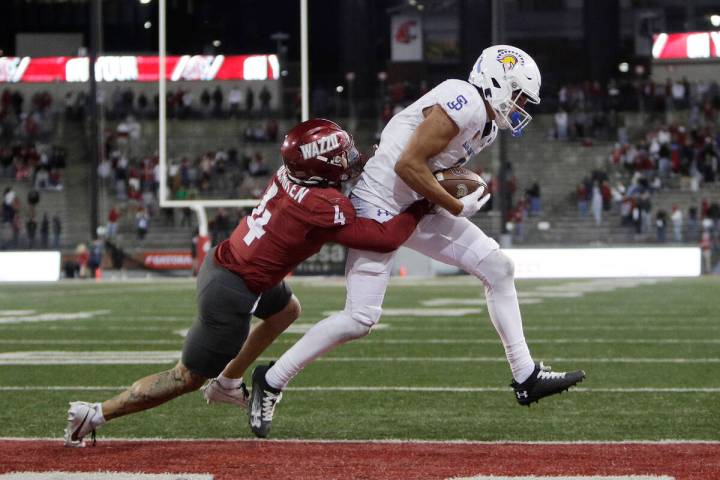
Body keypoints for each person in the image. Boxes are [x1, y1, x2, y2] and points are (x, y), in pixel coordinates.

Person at [248, 45, 585, 438]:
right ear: (497, 82)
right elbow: (407, 164)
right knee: (360, 318)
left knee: (498, 267)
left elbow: (428, 166)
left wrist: (443, 197)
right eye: (519, 95)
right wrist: (454, 205)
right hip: (377, 205)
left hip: (413, 203)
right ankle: (271, 380)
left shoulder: (486, 123)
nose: (521, 105)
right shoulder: (466, 102)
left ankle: (525, 376)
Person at [63, 118, 430, 447]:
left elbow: (339, 174)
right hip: (232, 291)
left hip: (233, 264)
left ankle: (227, 383)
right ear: (321, 168)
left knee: (287, 310)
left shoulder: (294, 174)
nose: (350, 158)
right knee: (185, 378)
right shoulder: (321, 205)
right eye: (342, 155)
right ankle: (94, 413)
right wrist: (422, 202)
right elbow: (383, 238)